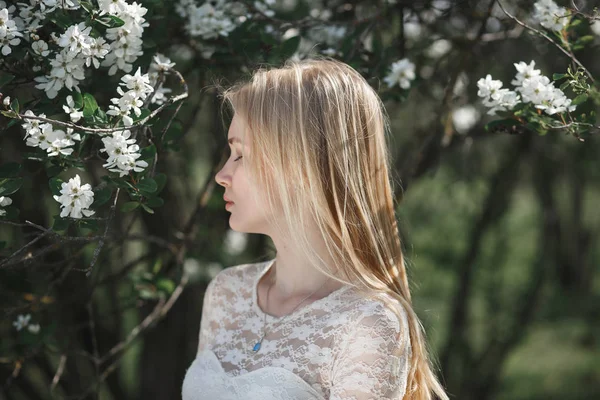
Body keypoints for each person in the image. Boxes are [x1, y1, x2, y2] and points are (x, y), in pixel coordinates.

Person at [181, 58, 449, 400]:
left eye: (240, 155)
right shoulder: (226, 293)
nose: (221, 174)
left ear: (298, 164)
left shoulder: (368, 322)